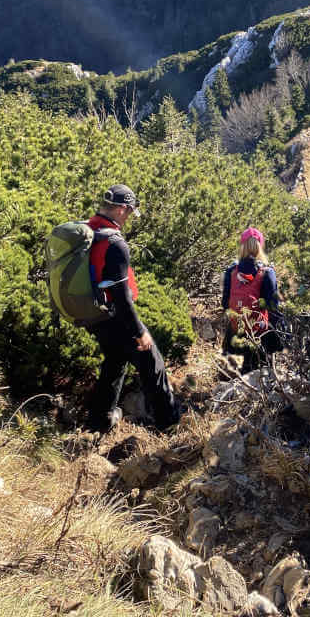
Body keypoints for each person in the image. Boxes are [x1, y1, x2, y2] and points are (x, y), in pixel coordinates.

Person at [86, 184, 180, 433]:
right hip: (114, 316)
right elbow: (121, 298)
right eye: (128, 212)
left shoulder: (88, 230)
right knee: (153, 364)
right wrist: (140, 332)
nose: (128, 217)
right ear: (120, 208)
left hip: (93, 316)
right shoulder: (115, 243)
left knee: (115, 362)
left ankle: (98, 423)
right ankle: (168, 426)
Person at [222, 227, 284, 374]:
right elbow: (273, 307)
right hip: (258, 337)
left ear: (242, 246)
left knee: (234, 377)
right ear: (260, 246)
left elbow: (225, 303)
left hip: (235, 334)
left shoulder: (232, 270)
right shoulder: (267, 272)